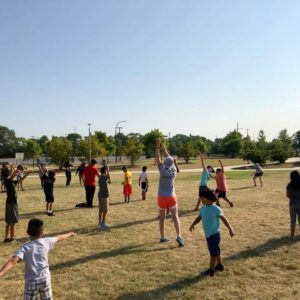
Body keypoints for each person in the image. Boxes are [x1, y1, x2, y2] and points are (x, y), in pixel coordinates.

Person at [0, 218, 75, 299]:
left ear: (27, 232)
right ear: (42, 233)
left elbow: (12, 261)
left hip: (31, 281)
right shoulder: (46, 241)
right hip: (45, 278)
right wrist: (70, 234)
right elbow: (59, 237)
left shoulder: (25, 247)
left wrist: (0, 273)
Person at [190, 189, 234, 277]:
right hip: (208, 234)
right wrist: (193, 224)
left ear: (209, 199)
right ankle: (220, 265)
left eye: (202, 198)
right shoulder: (203, 208)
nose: (201, 200)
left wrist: (230, 228)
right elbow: (199, 217)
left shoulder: (216, 208)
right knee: (215, 251)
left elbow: (224, 219)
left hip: (214, 234)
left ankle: (211, 270)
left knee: (213, 253)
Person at [155, 138, 184, 247]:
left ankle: (162, 237)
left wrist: (158, 146)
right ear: (172, 163)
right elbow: (168, 157)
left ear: (164, 163)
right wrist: (164, 148)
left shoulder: (162, 169)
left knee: (162, 218)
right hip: (172, 197)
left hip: (162, 197)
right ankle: (179, 236)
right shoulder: (174, 170)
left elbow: (157, 158)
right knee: (175, 217)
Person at [2, 164, 18, 243]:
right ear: (8, 174)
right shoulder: (8, 180)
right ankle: (11, 238)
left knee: (8, 222)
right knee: (12, 222)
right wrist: (15, 168)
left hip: (9, 202)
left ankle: (6, 238)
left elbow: (12, 174)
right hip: (11, 203)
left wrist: (11, 167)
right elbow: (14, 174)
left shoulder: (6, 180)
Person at [286, 170, 300, 241]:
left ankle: (292, 235)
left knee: (293, 221)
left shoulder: (289, 185)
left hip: (292, 204)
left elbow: (288, 195)